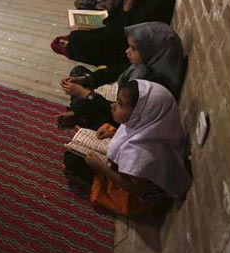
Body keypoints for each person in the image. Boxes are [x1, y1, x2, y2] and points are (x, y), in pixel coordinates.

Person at [79, 80, 192, 215]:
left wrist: (100, 167)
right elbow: (135, 135)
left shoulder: (140, 154)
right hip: (140, 176)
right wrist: (113, 134)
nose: (113, 106)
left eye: (120, 104)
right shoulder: (154, 125)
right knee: (104, 129)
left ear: (141, 114)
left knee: (76, 162)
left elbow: (137, 189)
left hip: (140, 195)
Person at [57, 22, 185, 128]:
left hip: (121, 119)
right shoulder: (144, 63)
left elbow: (120, 115)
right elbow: (113, 72)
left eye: (133, 48)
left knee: (83, 104)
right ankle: (78, 113)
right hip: (119, 101)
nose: (127, 51)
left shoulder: (147, 84)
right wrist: (85, 79)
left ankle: (79, 116)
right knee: (78, 72)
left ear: (150, 50)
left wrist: (85, 93)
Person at [52, 0, 176, 67]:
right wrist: (125, 1)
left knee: (82, 40)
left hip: (123, 47)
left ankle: (72, 45)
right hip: (117, 29)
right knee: (84, 31)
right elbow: (113, 18)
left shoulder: (153, 10)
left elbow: (120, 33)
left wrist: (128, 5)